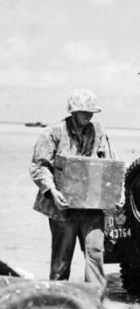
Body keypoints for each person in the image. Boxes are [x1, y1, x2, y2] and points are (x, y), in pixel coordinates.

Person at [29, 89, 115, 286]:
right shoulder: (53, 132)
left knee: (95, 254)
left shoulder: (99, 131)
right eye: (85, 112)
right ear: (73, 112)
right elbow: (39, 166)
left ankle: (94, 303)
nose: (89, 116)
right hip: (63, 207)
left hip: (92, 206)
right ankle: (58, 303)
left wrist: (115, 197)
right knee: (61, 262)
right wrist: (51, 190)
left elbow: (110, 164)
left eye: (92, 112)